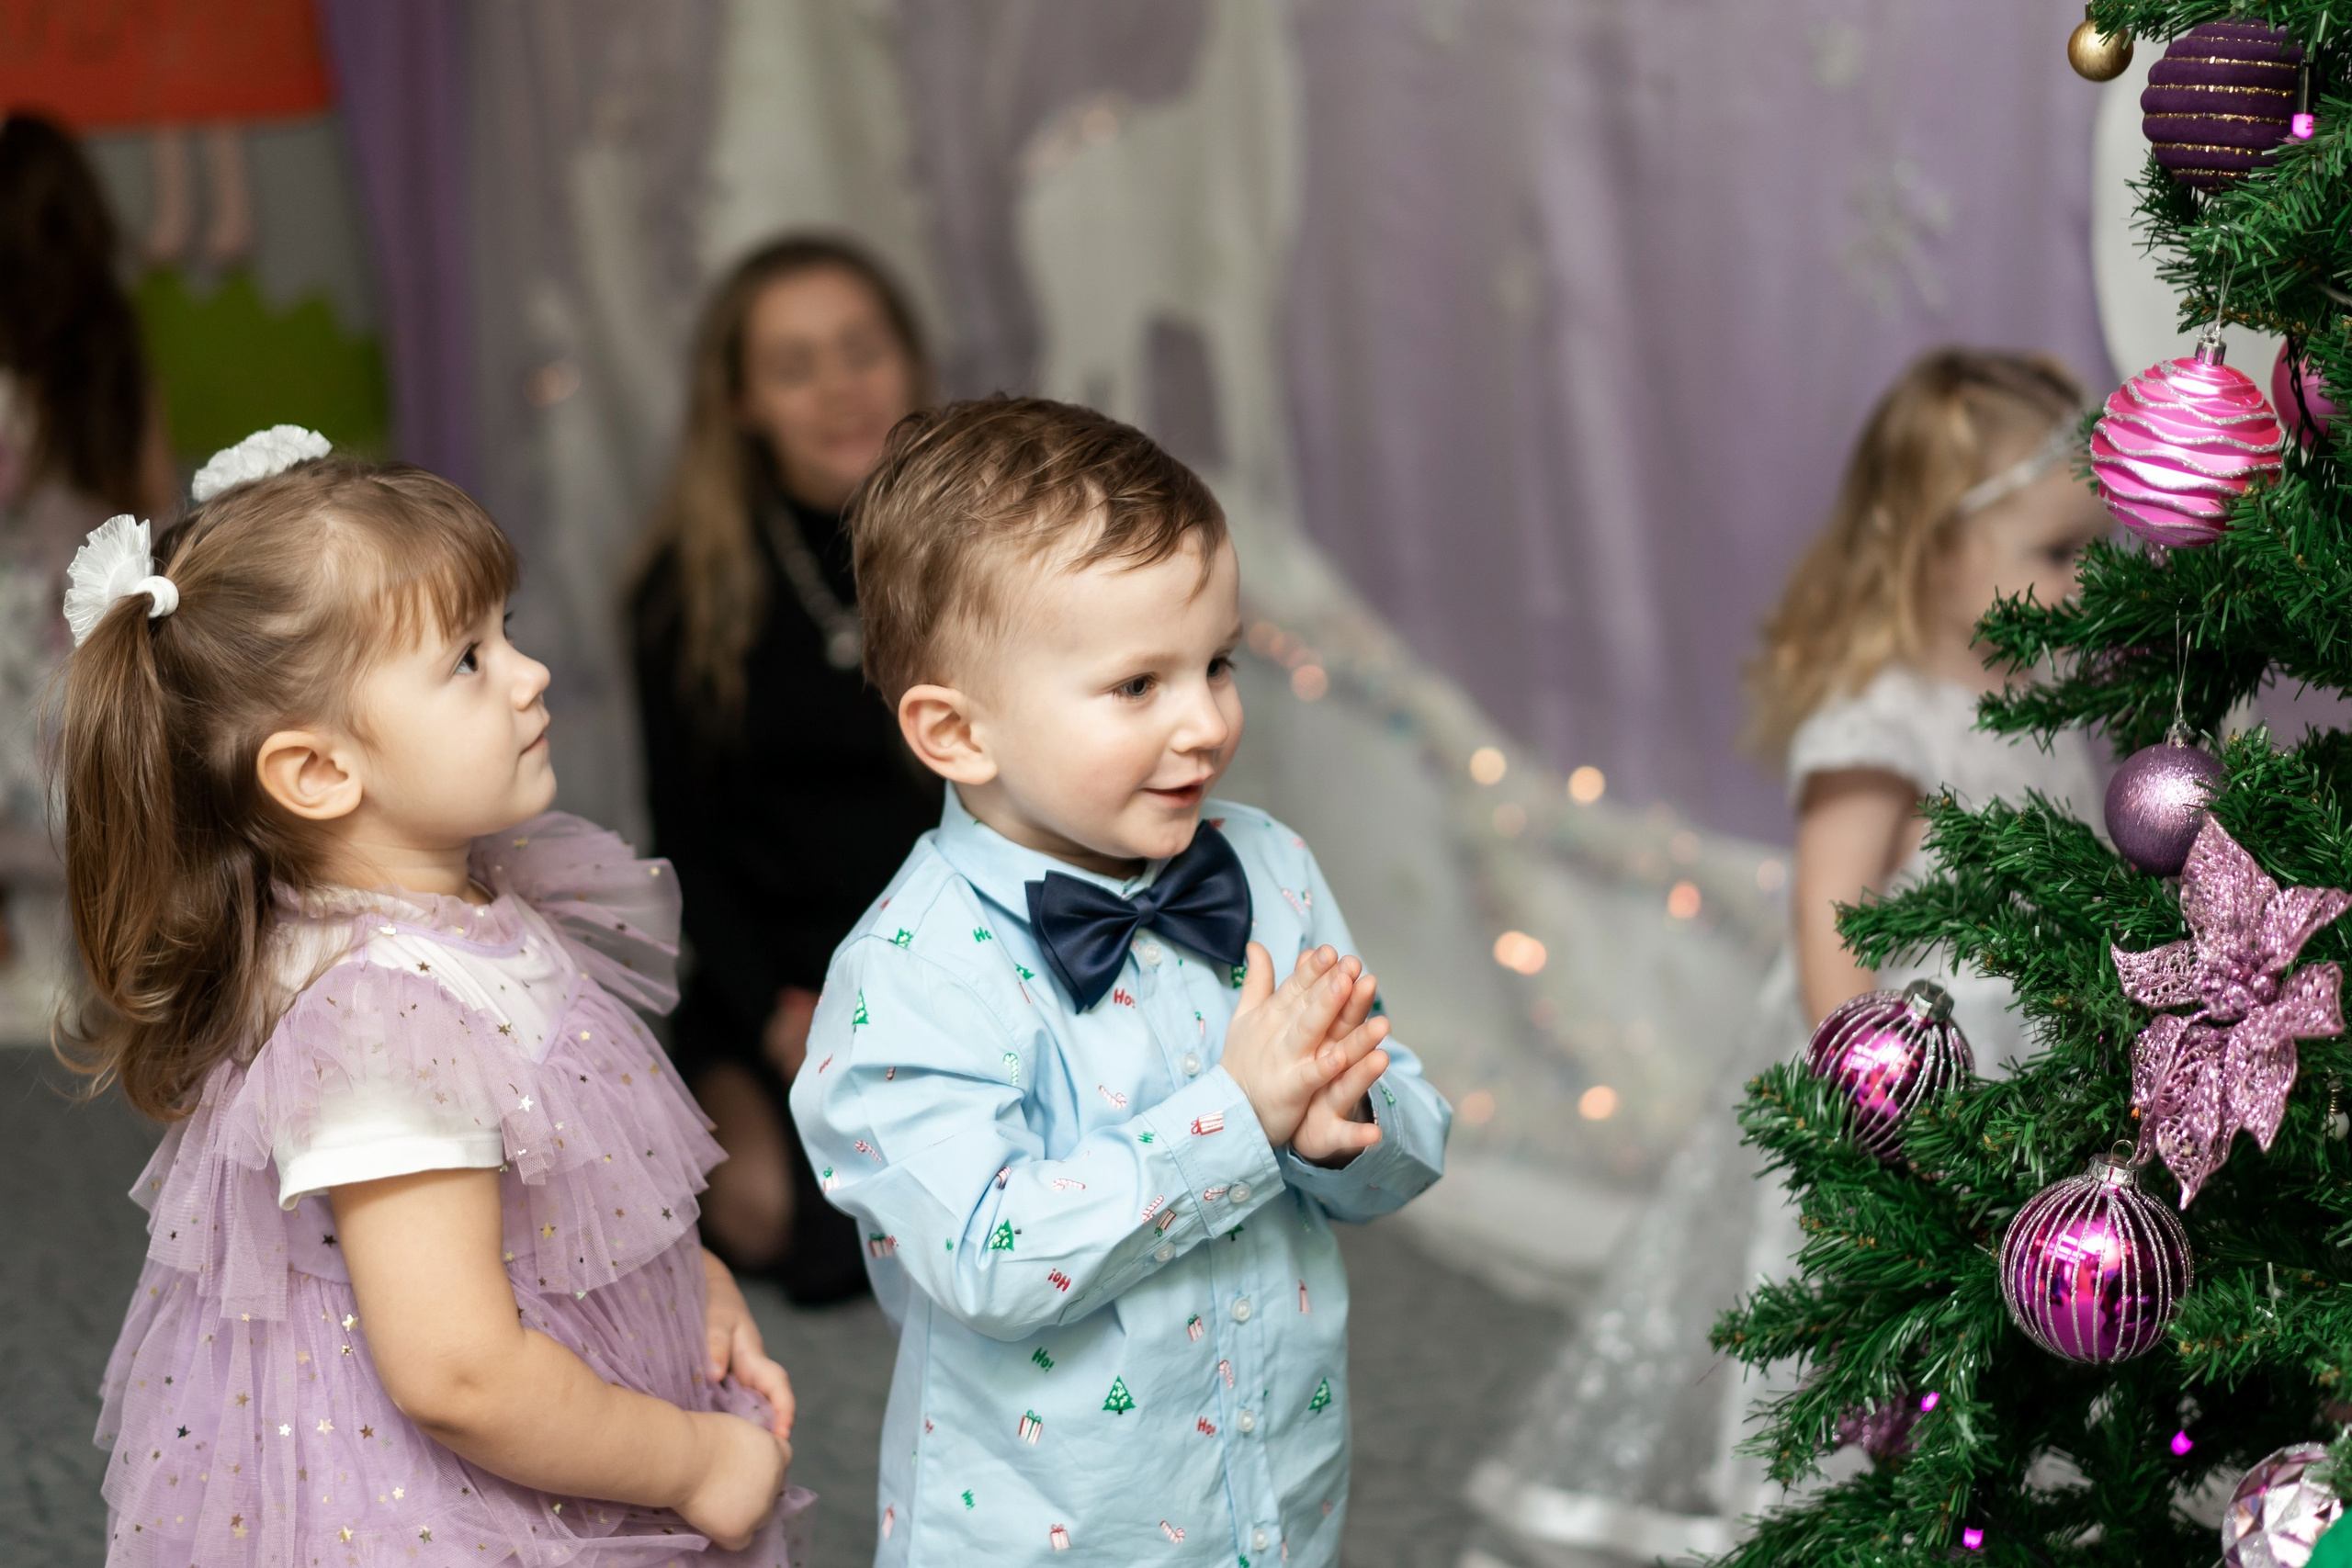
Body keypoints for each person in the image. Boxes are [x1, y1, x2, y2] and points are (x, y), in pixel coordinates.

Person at [74, 429, 809, 1567]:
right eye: (467, 659)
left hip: (577, 1394)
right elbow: (458, 1372)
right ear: (319, 772)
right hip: (458, 1511)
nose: (528, 673)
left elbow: (572, 1192)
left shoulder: (480, 909)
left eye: (504, 632)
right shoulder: (379, 1027)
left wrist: (691, 1285)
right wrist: (695, 1462)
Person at [1467, 349, 2109, 1566]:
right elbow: (1831, 925)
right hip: (1912, 1089)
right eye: (2058, 554)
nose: (2088, 587)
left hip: (2028, 1080)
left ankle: (1982, 1505)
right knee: (1875, 1343)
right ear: (1935, 544)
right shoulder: (1886, 723)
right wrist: (1872, 1124)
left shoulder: (2037, 710)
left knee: (2009, 1326)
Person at [791, 397, 1454, 1564]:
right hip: (1045, 1535)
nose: (1205, 721)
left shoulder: (1268, 867)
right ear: (955, 734)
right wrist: (1237, 1120)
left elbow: (1403, 1132)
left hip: (1274, 1493)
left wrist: (1334, 1122)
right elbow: (987, 1263)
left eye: (1217, 664)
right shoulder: (909, 976)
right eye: (1138, 686)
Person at [632, 236, 938, 1303]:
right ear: (742, 403)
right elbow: (686, 839)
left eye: (862, 350)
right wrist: (778, 1009)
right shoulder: (684, 593)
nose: (841, 389)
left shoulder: (983, 553)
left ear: (909, 360)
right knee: (761, 1206)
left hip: (964, 953)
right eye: (796, 366)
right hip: (789, 979)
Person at [0, 113, 175, 962]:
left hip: (19, 655)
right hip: (84, 655)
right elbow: (156, 508)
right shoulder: (110, 349)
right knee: (94, 894)